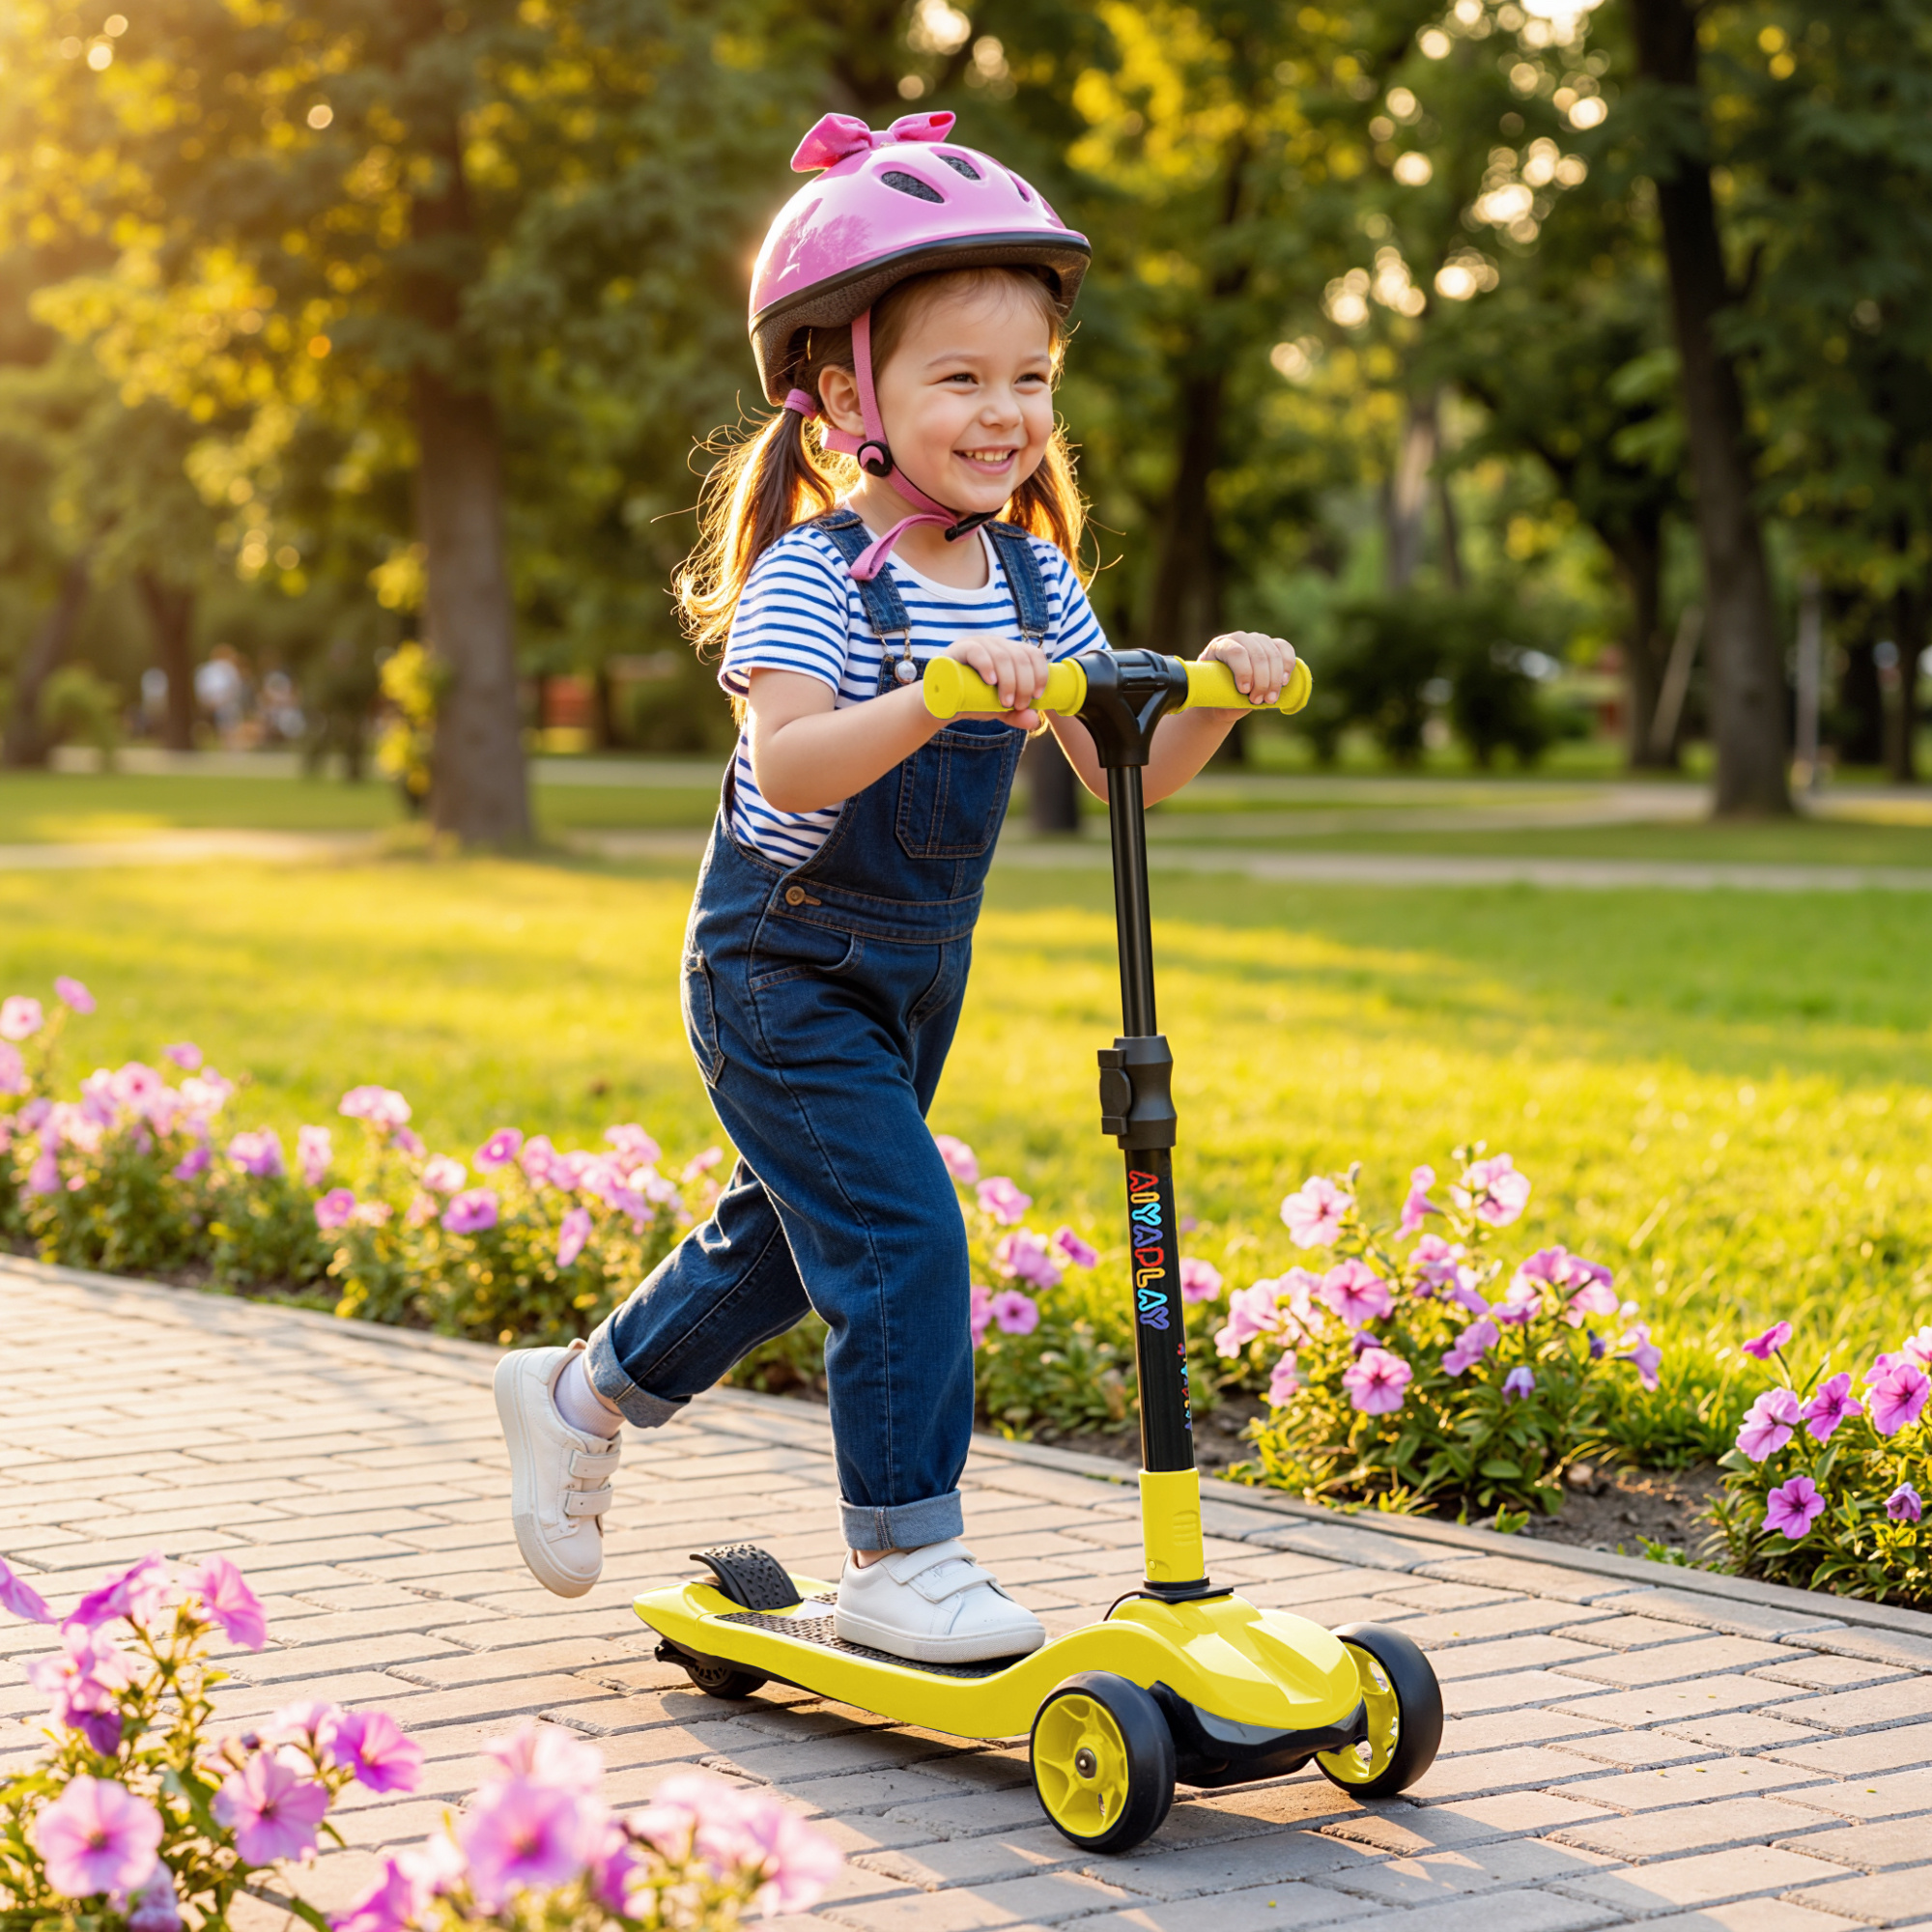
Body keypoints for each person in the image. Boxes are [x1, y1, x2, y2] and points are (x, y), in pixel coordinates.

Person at [494, 110, 1295, 1664]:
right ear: (848, 391)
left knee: (794, 1244)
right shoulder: (815, 570)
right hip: (776, 971)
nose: (1007, 415)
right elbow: (790, 766)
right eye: (962, 378)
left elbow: (1124, 769)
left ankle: (576, 1393)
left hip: (913, 976)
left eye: (1032, 381)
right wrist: (933, 695)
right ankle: (902, 1556)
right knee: (908, 1238)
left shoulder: (1031, 576)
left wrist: (1217, 695)